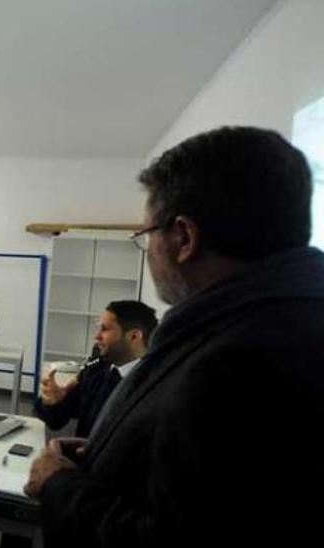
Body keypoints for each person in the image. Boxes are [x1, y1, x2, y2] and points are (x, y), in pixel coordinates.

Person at [25, 126, 324, 547]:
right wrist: (104, 451)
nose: (147, 250)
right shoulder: (256, 328)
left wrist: (60, 485)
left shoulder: (242, 363)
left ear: (183, 238)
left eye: (146, 235)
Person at [34, 301, 157, 438]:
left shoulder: (155, 386)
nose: (96, 336)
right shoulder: (96, 368)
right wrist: (53, 402)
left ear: (134, 336)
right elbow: (56, 421)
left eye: (104, 329)